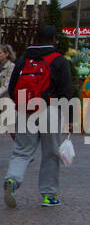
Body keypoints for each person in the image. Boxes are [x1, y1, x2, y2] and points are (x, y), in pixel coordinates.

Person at [3, 25, 75, 209]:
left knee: (21, 151)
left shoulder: (23, 60)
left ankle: (12, 179)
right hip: (50, 109)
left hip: (25, 109)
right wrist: (70, 118)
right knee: (50, 153)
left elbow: (12, 89)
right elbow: (67, 92)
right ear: (53, 39)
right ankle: (49, 196)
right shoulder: (58, 60)